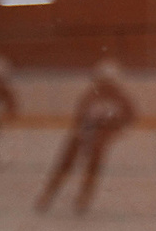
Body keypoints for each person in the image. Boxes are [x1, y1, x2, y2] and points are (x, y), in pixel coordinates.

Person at [33, 59, 134, 217]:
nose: (104, 86)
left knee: (90, 168)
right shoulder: (92, 94)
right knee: (66, 164)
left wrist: (112, 129)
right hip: (83, 134)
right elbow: (80, 114)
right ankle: (50, 194)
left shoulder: (118, 98)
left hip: (96, 137)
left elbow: (129, 116)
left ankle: (81, 198)